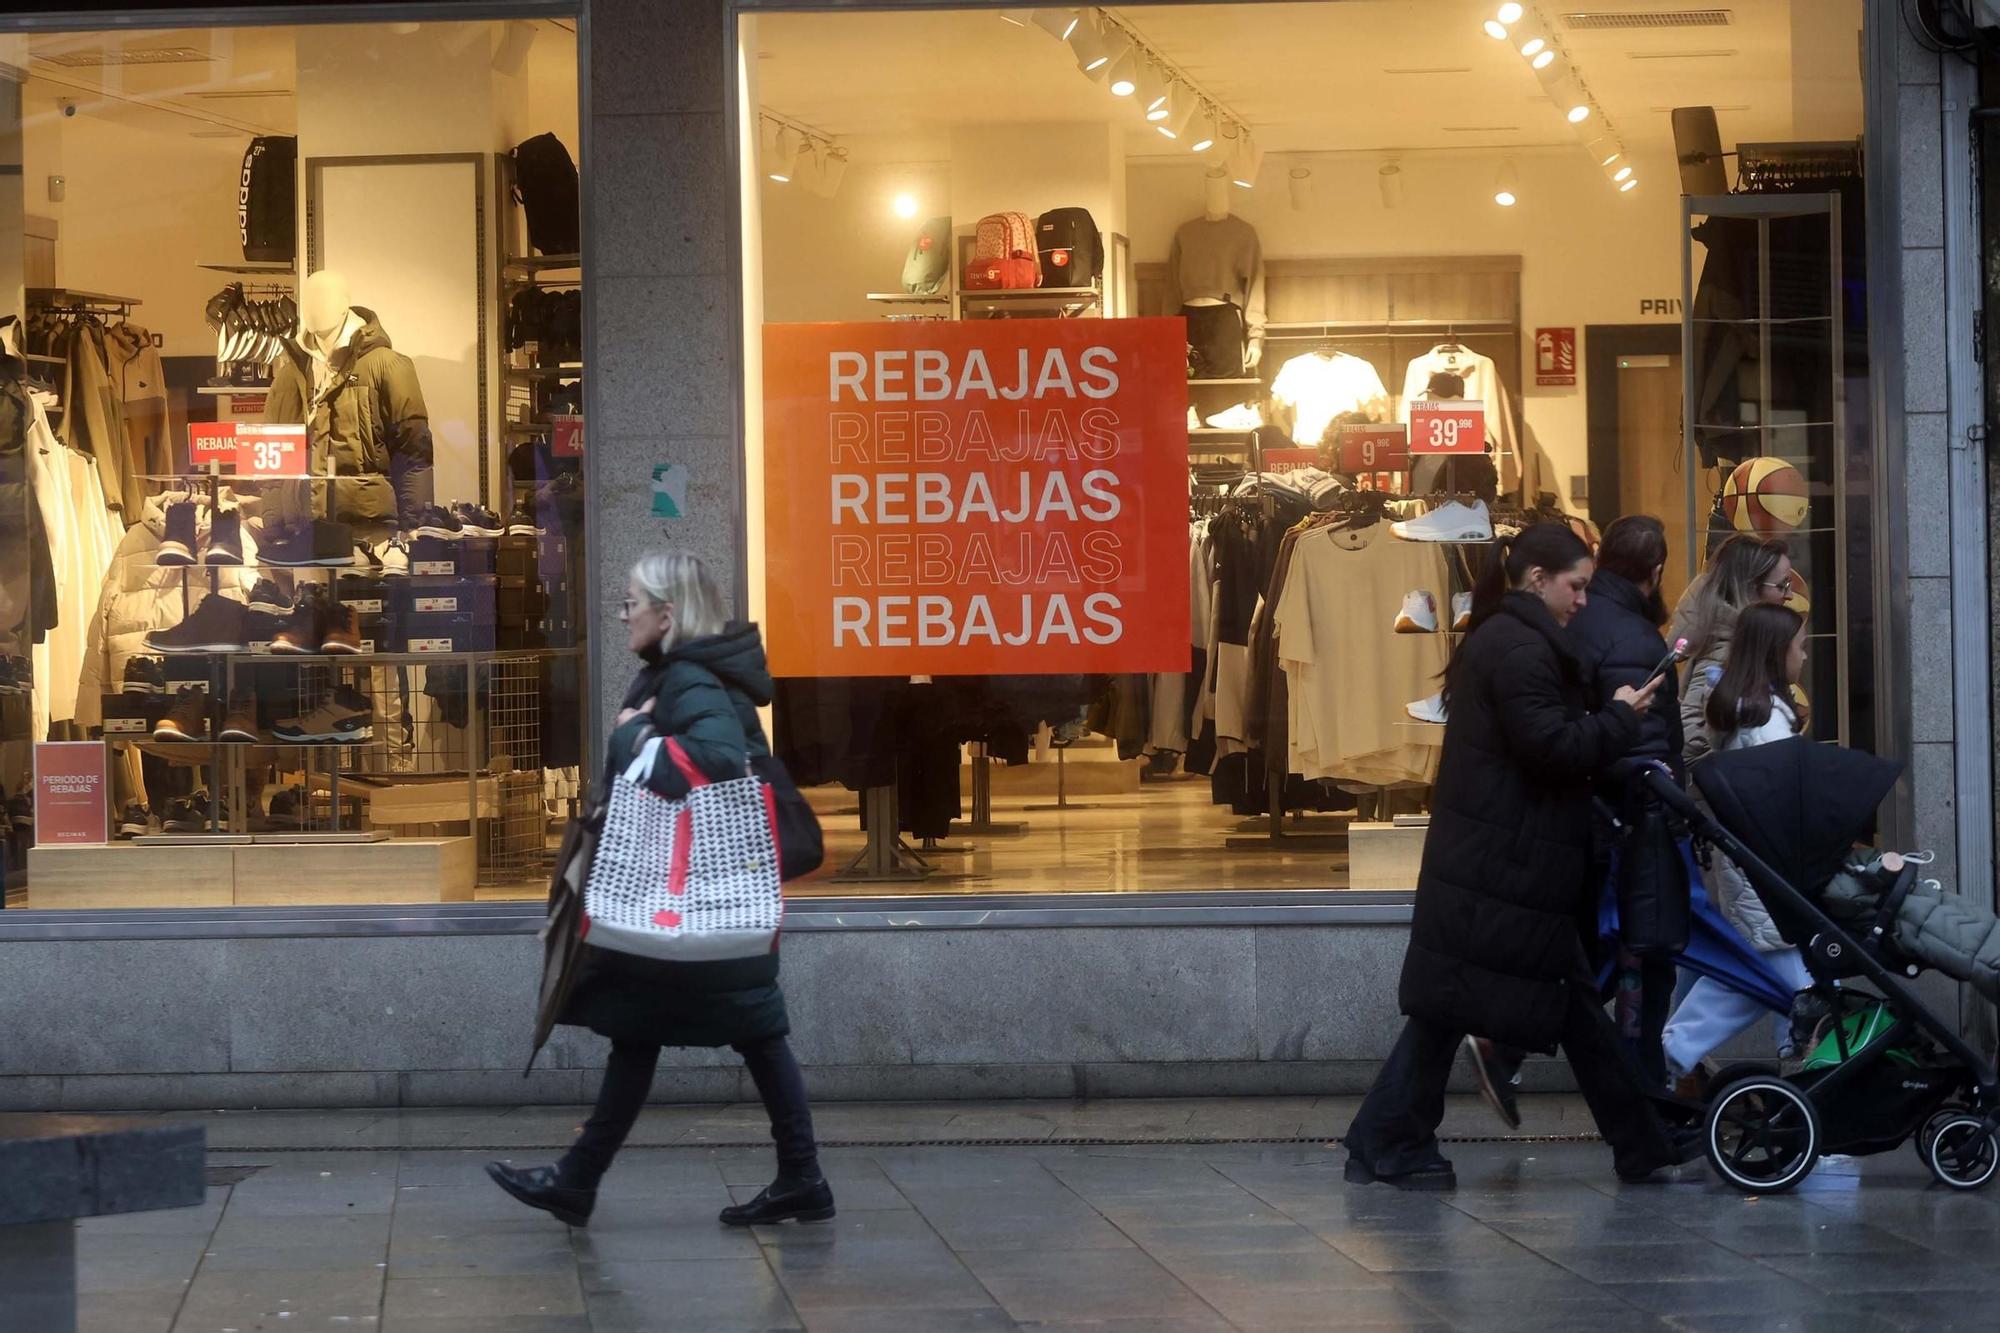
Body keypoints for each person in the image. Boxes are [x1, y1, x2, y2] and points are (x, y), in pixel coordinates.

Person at [488, 551, 832, 1229]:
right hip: (706, 896)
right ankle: (586, 1180)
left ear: (666, 613)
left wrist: (635, 733)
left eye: (631, 603)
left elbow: (712, 759)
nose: (623, 615)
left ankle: (585, 1180)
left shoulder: (690, 678)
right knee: (675, 1030)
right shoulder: (683, 673)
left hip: (702, 894)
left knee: (716, 1032)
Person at [1345, 523, 1688, 1189]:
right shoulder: (1519, 648)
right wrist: (1619, 715)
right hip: (1505, 865)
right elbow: (1551, 747)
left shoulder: (1514, 641)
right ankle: (1388, 1135)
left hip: (1508, 863)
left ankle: (1640, 1141)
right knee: (1455, 1010)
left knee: (1550, 1006)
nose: (1584, 600)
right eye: (1576, 585)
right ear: (1538, 579)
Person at [1661, 603, 1815, 1088]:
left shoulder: (1748, 713)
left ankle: (1666, 1059)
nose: (1805, 656)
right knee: (1793, 986)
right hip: (1766, 877)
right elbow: (1784, 800)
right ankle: (1811, 1074)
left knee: (1754, 983)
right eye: (1800, 646)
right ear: (1777, 653)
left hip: (1752, 876)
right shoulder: (1765, 722)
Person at [1567, 515, 1686, 1091]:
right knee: (1641, 955)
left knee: (1595, 956)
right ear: (1656, 571)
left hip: (1583, 818)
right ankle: (1641, 1084)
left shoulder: (1579, 617)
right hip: (1629, 825)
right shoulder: (1637, 639)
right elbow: (1646, 750)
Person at [1671, 533, 1792, 768]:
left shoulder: (1739, 644)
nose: (1788, 595)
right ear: (1749, 588)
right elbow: (1690, 743)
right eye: (1782, 585)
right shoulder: (1726, 654)